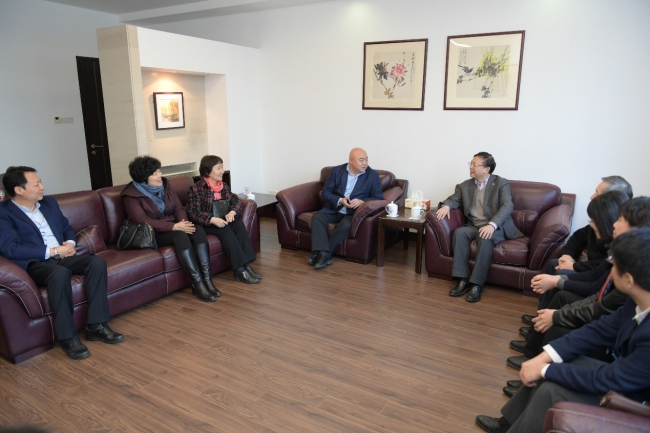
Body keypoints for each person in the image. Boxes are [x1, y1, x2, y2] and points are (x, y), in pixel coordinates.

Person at [475, 227, 650, 433]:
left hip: (635, 405)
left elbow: (611, 378)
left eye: (615, 266)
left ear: (629, 280)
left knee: (550, 390)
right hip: (622, 380)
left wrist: (544, 369)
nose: (610, 271)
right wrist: (545, 358)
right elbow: (599, 330)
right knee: (556, 362)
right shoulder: (635, 302)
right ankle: (509, 424)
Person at [505, 196, 647, 384]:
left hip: (613, 361)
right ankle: (534, 351)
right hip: (603, 324)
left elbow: (597, 292)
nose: (615, 223)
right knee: (560, 295)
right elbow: (599, 294)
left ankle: (534, 366)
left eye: (620, 219)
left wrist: (557, 314)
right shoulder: (631, 297)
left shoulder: (633, 275)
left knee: (559, 324)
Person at [0, 166, 123, 360]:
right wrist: (53, 251)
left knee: (96, 263)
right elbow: (10, 248)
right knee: (59, 274)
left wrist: (70, 243)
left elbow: (66, 227)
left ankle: (96, 326)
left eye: (40, 182)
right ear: (19, 190)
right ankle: (67, 337)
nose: (42, 187)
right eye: (36, 184)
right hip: (34, 263)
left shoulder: (48, 203)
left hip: (62, 256)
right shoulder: (4, 212)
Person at [121, 156, 218, 302]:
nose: (160, 175)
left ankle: (207, 280)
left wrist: (183, 223)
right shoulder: (131, 196)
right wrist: (174, 227)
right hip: (151, 233)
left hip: (173, 225)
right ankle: (197, 284)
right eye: (155, 173)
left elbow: (178, 207)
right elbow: (142, 220)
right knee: (180, 236)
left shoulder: (165, 185)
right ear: (143, 179)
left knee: (197, 230)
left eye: (159, 171)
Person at [436, 152, 523, 302]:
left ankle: (476, 284)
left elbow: (507, 205)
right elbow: (453, 199)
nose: (470, 167)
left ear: (486, 169)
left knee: (485, 237)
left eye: (474, 165)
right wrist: (446, 206)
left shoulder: (501, 183)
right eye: (470, 164)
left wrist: (492, 225)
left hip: (495, 226)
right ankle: (462, 279)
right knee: (459, 233)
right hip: (474, 225)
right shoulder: (466, 185)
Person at [186, 155, 261, 284]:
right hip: (205, 224)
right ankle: (240, 269)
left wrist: (233, 211)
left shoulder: (223, 186)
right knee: (224, 229)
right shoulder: (196, 189)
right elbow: (193, 213)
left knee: (238, 225)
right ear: (208, 171)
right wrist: (212, 219)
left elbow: (236, 200)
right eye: (218, 168)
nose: (222, 171)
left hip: (221, 220)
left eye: (222, 167)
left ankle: (246, 264)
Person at [308, 148, 383, 270]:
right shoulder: (337, 171)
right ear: (351, 160)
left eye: (366, 159)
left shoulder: (372, 175)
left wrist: (362, 201)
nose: (365, 163)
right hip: (334, 208)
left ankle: (322, 255)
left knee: (345, 226)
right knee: (317, 218)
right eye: (361, 160)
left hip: (352, 213)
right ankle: (323, 254)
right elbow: (325, 192)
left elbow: (378, 197)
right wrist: (340, 200)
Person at [545, 175, 632, 276]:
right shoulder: (601, 219)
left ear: (611, 199)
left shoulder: (620, 230)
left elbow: (605, 265)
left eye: (597, 193)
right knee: (553, 264)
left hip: (599, 275)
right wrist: (567, 255)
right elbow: (579, 236)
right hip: (589, 268)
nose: (591, 196)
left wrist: (573, 267)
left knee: (561, 274)